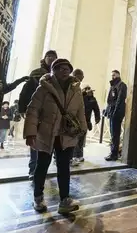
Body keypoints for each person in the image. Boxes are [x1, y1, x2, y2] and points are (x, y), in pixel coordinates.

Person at [24, 58, 87, 214]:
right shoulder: (44, 88)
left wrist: (82, 130)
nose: (64, 71)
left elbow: (80, 111)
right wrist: (30, 132)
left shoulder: (76, 89)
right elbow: (33, 110)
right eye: (60, 68)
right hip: (47, 133)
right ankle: (38, 197)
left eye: (67, 68)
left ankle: (64, 200)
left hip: (66, 134)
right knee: (42, 166)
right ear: (53, 71)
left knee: (64, 168)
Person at [19, 50, 57, 180]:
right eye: (49, 56)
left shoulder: (57, 76)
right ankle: (33, 170)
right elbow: (26, 91)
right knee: (35, 141)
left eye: (54, 57)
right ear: (45, 58)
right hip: (36, 110)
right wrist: (22, 109)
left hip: (51, 113)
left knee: (48, 142)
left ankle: (42, 170)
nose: (51, 58)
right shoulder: (36, 73)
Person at [73, 85, 101, 165]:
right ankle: (75, 155)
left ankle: (80, 156)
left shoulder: (92, 99)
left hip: (86, 121)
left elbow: (96, 109)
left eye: (90, 89)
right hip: (77, 121)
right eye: (87, 89)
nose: (89, 91)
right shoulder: (80, 97)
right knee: (76, 139)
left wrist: (97, 118)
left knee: (81, 139)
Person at [104, 70, 127, 161]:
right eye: (112, 75)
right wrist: (107, 110)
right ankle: (113, 152)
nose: (112, 77)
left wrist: (115, 112)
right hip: (112, 111)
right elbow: (110, 100)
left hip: (116, 113)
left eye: (114, 75)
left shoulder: (122, 85)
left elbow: (120, 100)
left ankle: (114, 154)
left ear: (118, 75)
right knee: (113, 133)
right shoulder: (113, 85)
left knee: (115, 134)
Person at [70, 69, 87, 166]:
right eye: (79, 77)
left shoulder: (79, 89)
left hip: (77, 119)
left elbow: (81, 107)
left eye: (81, 78)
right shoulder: (69, 85)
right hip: (69, 118)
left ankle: (74, 157)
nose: (80, 79)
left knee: (76, 139)